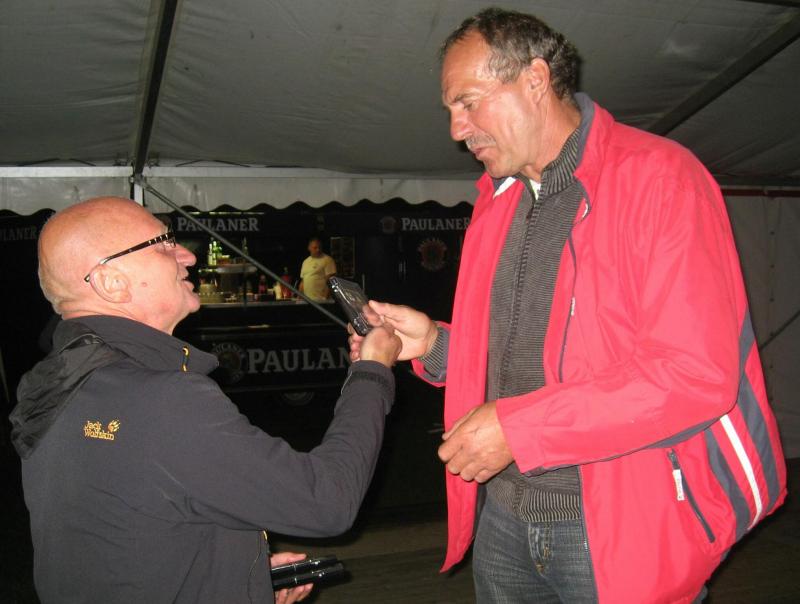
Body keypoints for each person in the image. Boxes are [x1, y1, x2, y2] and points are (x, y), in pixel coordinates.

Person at [349, 8, 786, 603]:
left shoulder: (659, 179)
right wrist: (432, 344)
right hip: (504, 519)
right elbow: (525, 359)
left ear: (534, 80)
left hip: (617, 525)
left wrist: (518, 429)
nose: (456, 129)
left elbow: (694, 375)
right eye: (451, 109)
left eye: (468, 102)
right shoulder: (499, 201)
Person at [8, 197, 401, 604]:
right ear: (112, 282)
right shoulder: (161, 400)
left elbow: (115, 538)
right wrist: (372, 370)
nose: (187, 257)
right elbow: (325, 502)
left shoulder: (57, 383)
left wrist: (237, 571)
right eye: (162, 244)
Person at [298, 236, 337, 301]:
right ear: (309, 248)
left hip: (321, 300)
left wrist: (325, 298)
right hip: (307, 300)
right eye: (315, 248)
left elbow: (331, 281)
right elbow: (303, 282)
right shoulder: (305, 262)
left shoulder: (327, 260)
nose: (318, 250)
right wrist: (299, 297)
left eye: (319, 247)